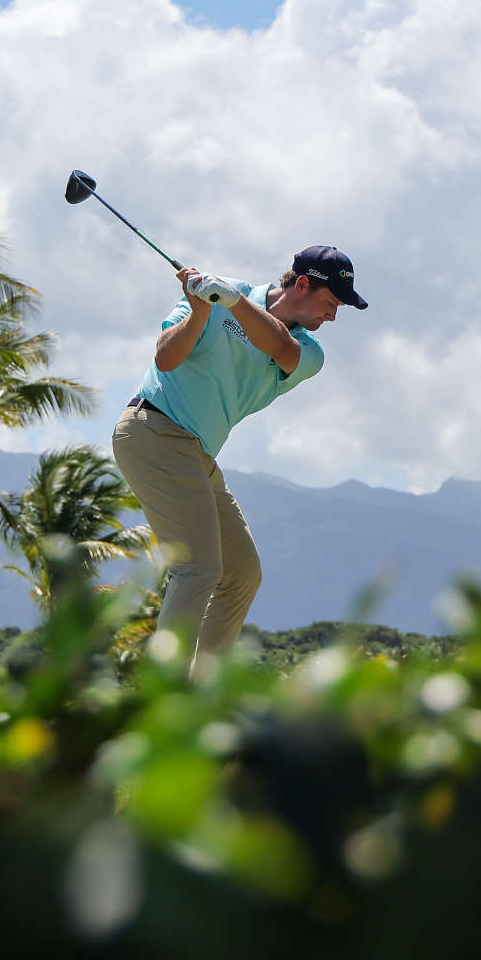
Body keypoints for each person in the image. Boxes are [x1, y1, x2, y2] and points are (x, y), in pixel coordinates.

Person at [111, 245, 367, 673]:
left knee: (243, 573)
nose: (333, 317)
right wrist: (199, 313)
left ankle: (202, 685)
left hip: (196, 452)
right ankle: (164, 694)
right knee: (198, 570)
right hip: (151, 429)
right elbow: (165, 359)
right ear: (302, 284)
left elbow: (278, 344)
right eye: (330, 303)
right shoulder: (218, 295)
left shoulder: (307, 352)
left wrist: (231, 302)